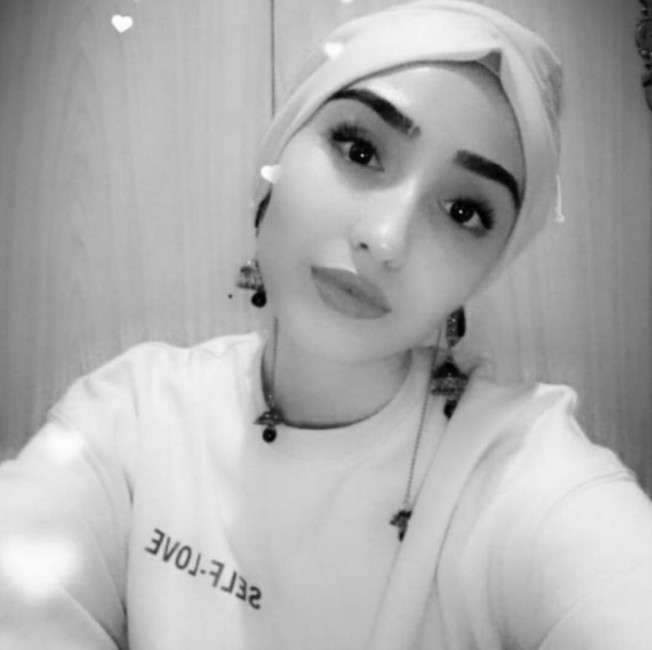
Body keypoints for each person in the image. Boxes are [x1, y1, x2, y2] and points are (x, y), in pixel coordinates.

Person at [2, 1, 652, 648]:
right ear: (277, 160)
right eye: (360, 150)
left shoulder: (520, 468)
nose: (385, 237)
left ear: (485, 272)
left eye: (462, 211)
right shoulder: (135, 419)